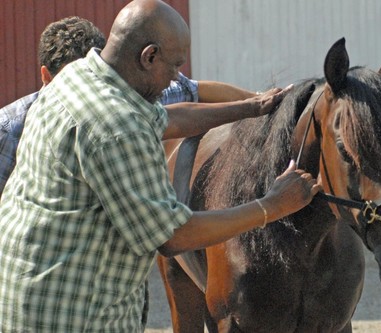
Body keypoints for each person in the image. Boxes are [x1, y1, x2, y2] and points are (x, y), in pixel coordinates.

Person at [0, 1, 320, 332]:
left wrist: (249, 107)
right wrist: (272, 206)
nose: (175, 79)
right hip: (70, 314)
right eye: (174, 66)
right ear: (149, 56)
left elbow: (168, 118)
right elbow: (172, 234)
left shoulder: (81, 78)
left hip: (32, 295)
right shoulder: (114, 126)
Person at [0, 16, 277, 199]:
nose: (86, 94)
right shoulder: (9, 129)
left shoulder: (127, 98)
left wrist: (260, 103)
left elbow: (196, 91)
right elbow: (170, 236)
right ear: (45, 76)